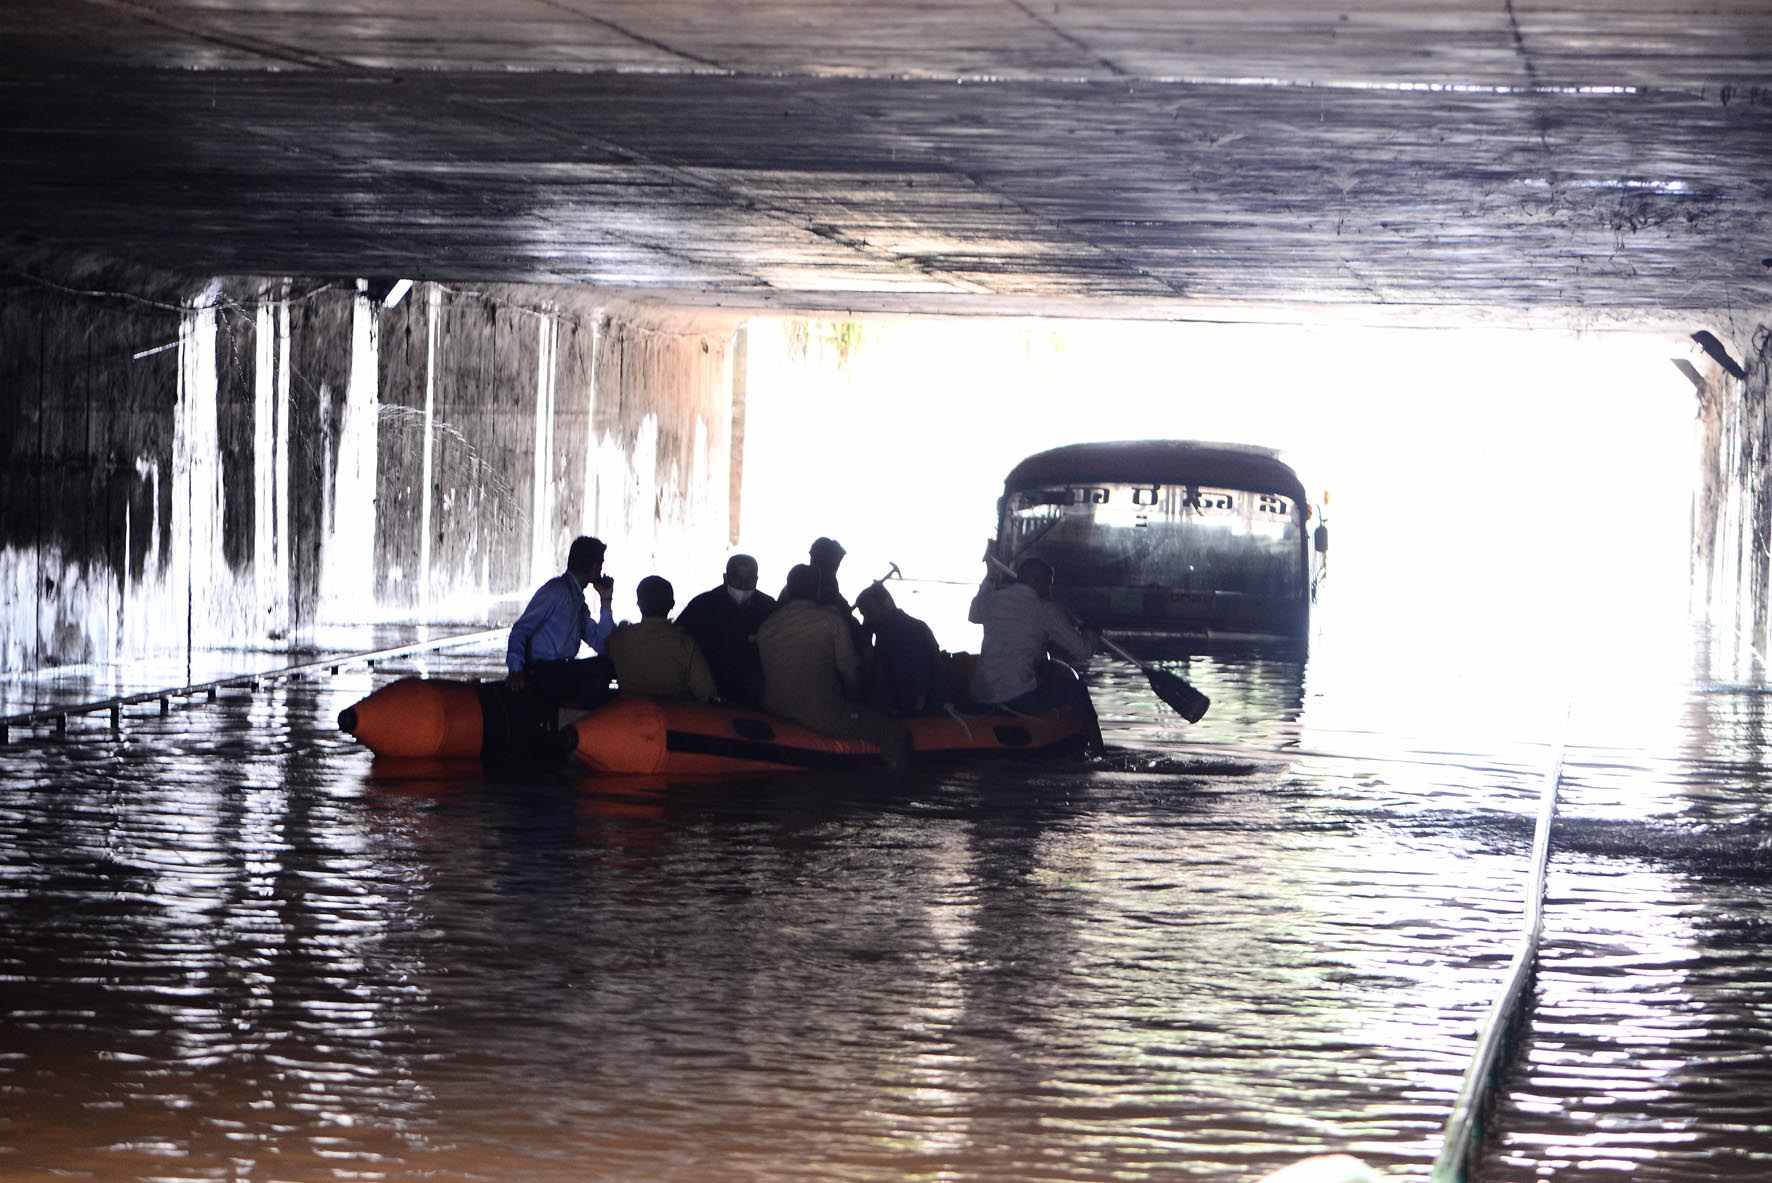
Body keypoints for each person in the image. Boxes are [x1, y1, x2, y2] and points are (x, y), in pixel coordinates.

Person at [758, 564, 910, 770]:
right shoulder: (832, 621)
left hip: (773, 707)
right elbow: (851, 675)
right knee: (895, 733)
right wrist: (857, 705)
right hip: (820, 713)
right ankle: (888, 794)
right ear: (818, 590)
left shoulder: (767, 625)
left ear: (789, 589)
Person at [967, 554, 1102, 751]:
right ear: (1038, 581)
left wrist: (989, 579)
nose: (1049, 590)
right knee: (1077, 689)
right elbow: (1083, 651)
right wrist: (1092, 633)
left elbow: (974, 614)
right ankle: (1100, 750)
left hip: (981, 694)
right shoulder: (1044, 609)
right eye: (1049, 584)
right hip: (1019, 698)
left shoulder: (994, 598)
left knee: (1039, 672)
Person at [505, 535, 617, 708]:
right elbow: (521, 629)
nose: (602, 569)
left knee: (607, 665)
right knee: (602, 669)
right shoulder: (556, 591)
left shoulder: (577, 600)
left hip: (561, 671)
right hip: (544, 672)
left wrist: (606, 602)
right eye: (600, 563)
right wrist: (516, 669)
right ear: (594, 566)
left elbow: (603, 645)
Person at [674, 553, 777, 707]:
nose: (743, 585)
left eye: (749, 580)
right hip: (709, 697)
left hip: (753, 698)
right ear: (725, 578)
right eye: (737, 579)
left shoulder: (768, 607)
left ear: (756, 580)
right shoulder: (702, 606)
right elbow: (679, 640)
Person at [605, 575, 717, 701]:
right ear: (672, 604)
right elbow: (705, 691)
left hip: (627, 716)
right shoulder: (684, 643)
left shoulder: (620, 638)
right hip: (672, 717)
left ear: (639, 604)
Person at [855, 582, 947, 716]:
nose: (866, 620)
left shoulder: (900, 633)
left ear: (887, 603)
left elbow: (919, 677)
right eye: (863, 615)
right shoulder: (903, 628)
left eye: (869, 612)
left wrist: (911, 713)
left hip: (918, 715)